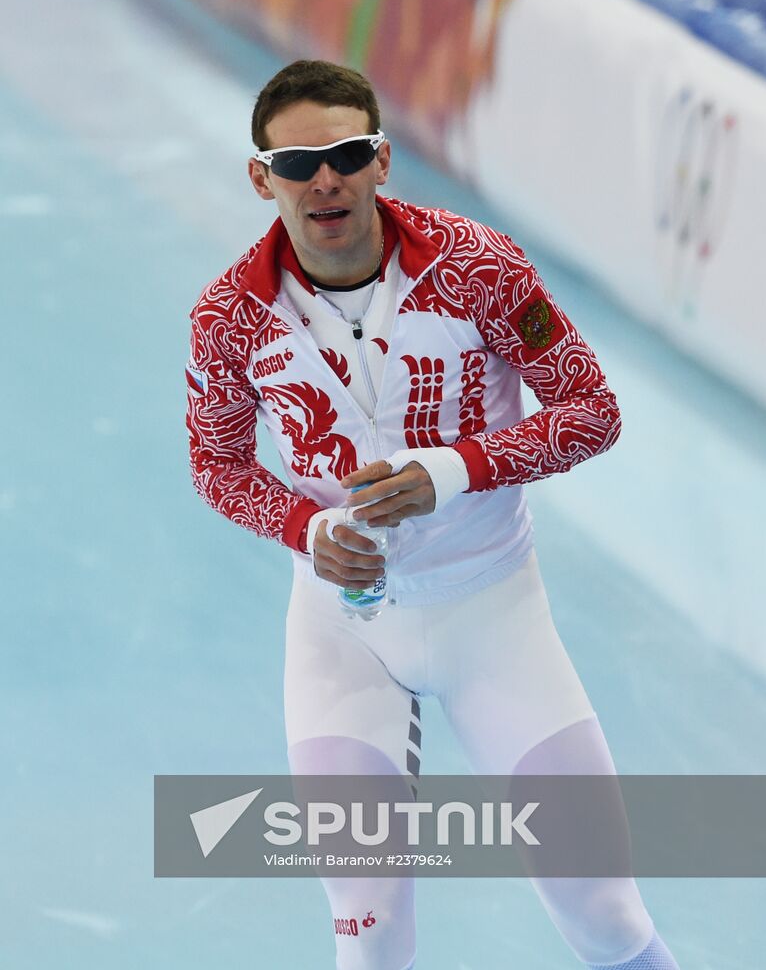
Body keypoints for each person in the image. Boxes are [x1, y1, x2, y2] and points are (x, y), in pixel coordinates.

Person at [186, 59, 679, 970]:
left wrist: (456, 468)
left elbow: (590, 410)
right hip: (340, 636)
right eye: (296, 163)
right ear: (262, 179)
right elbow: (215, 465)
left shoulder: (480, 269)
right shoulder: (228, 320)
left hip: (491, 614)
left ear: (381, 161)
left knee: (606, 918)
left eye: (343, 154)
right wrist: (307, 531)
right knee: (367, 940)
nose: (321, 178)